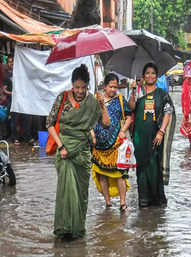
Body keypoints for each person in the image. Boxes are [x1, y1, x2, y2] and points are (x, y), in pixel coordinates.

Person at [47, 64, 110, 239]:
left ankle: (77, 228)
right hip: (65, 151)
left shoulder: (93, 101)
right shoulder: (62, 98)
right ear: (72, 85)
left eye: (83, 88)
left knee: (81, 193)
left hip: (82, 153)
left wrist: (102, 105)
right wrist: (61, 146)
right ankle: (65, 229)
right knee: (67, 191)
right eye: (77, 87)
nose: (80, 91)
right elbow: (49, 124)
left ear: (88, 86)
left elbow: (106, 123)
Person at [128, 63, 176, 208]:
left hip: (155, 138)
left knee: (154, 166)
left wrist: (161, 132)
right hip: (139, 138)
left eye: (153, 73)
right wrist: (133, 93)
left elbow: (168, 113)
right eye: (147, 73)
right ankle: (143, 200)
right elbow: (131, 108)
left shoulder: (162, 94)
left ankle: (157, 201)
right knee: (141, 168)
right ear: (143, 76)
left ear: (157, 76)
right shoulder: (139, 92)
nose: (150, 75)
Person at [91, 73, 132, 212]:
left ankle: (122, 203)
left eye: (115, 87)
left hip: (115, 144)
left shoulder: (120, 100)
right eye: (111, 86)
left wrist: (123, 130)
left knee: (119, 174)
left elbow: (129, 117)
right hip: (99, 145)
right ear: (104, 86)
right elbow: (89, 119)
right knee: (102, 174)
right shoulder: (95, 100)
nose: (113, 89)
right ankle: (107, 203)